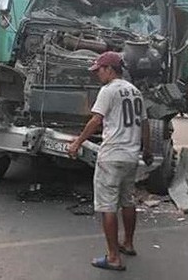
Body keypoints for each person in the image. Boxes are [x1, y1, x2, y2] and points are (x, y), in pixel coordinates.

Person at [68, 51, 152, 272]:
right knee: (127, 201)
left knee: (107, 206)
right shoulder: (135, 92)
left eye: (99, 70)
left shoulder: (108, 90)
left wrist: (77, 142)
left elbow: (96, 120)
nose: (97, 75)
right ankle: (128, 243)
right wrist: (148, 149)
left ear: (110, 69)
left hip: (112, 156)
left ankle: (113, 257)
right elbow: (144, 123)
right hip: (131, 157)